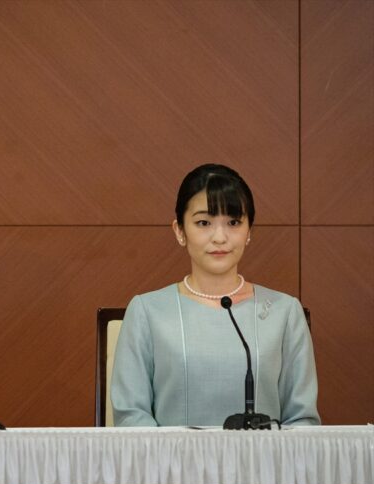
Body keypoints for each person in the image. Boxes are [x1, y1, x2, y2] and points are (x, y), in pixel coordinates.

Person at [111, 164, 320, 427]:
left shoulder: (285, 312)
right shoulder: (147, 312)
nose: (220, 237)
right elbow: (131, 417)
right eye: (203, 223)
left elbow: (301, 421)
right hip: (171, 457)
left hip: (263, 456)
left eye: (233, 222)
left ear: (249, 231)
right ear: (179, 231)